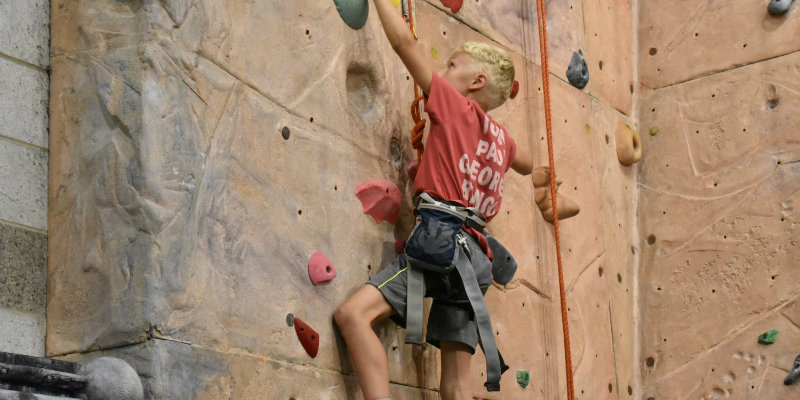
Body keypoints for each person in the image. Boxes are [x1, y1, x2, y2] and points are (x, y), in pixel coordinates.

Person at [333, 0, 533, 399]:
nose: (441, 73)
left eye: (451, 66)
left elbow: (405, 44)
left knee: (353, 315)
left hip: (441, 247)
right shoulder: (501, 140)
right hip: (477, 264)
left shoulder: (454, 106)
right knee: (457, 387)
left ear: (475, 83)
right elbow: (527, 164)